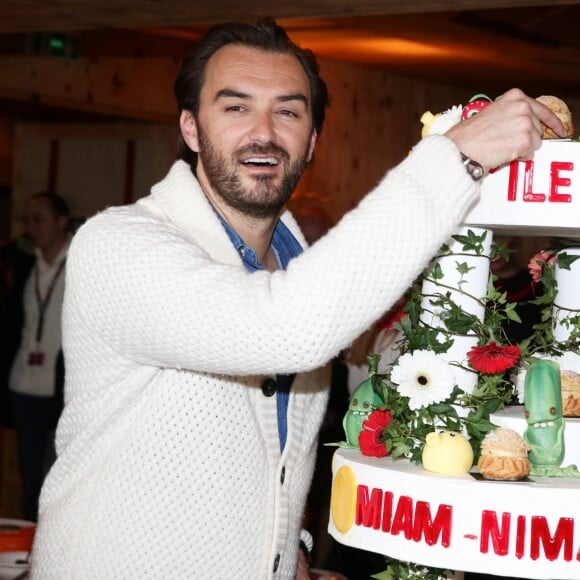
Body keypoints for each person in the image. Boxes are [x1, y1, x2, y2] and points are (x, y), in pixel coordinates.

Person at [30, 18, 564, 580]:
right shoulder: (117, 244)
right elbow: (281, 329)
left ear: (310, 142)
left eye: (287, 111)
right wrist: (455, 158)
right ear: (190, 128)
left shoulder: (301, 269)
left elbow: (271, 455)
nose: (263, 132)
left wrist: (287, 550)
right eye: (235, 107)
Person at [5, 192, 69, 522]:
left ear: (61, 222)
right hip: (23, 385)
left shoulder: (81, 264)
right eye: (27, 220)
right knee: (30, 482)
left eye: (39, 218)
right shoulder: (27, 266)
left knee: (56, 483)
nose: (31, 227)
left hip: (62, 391)